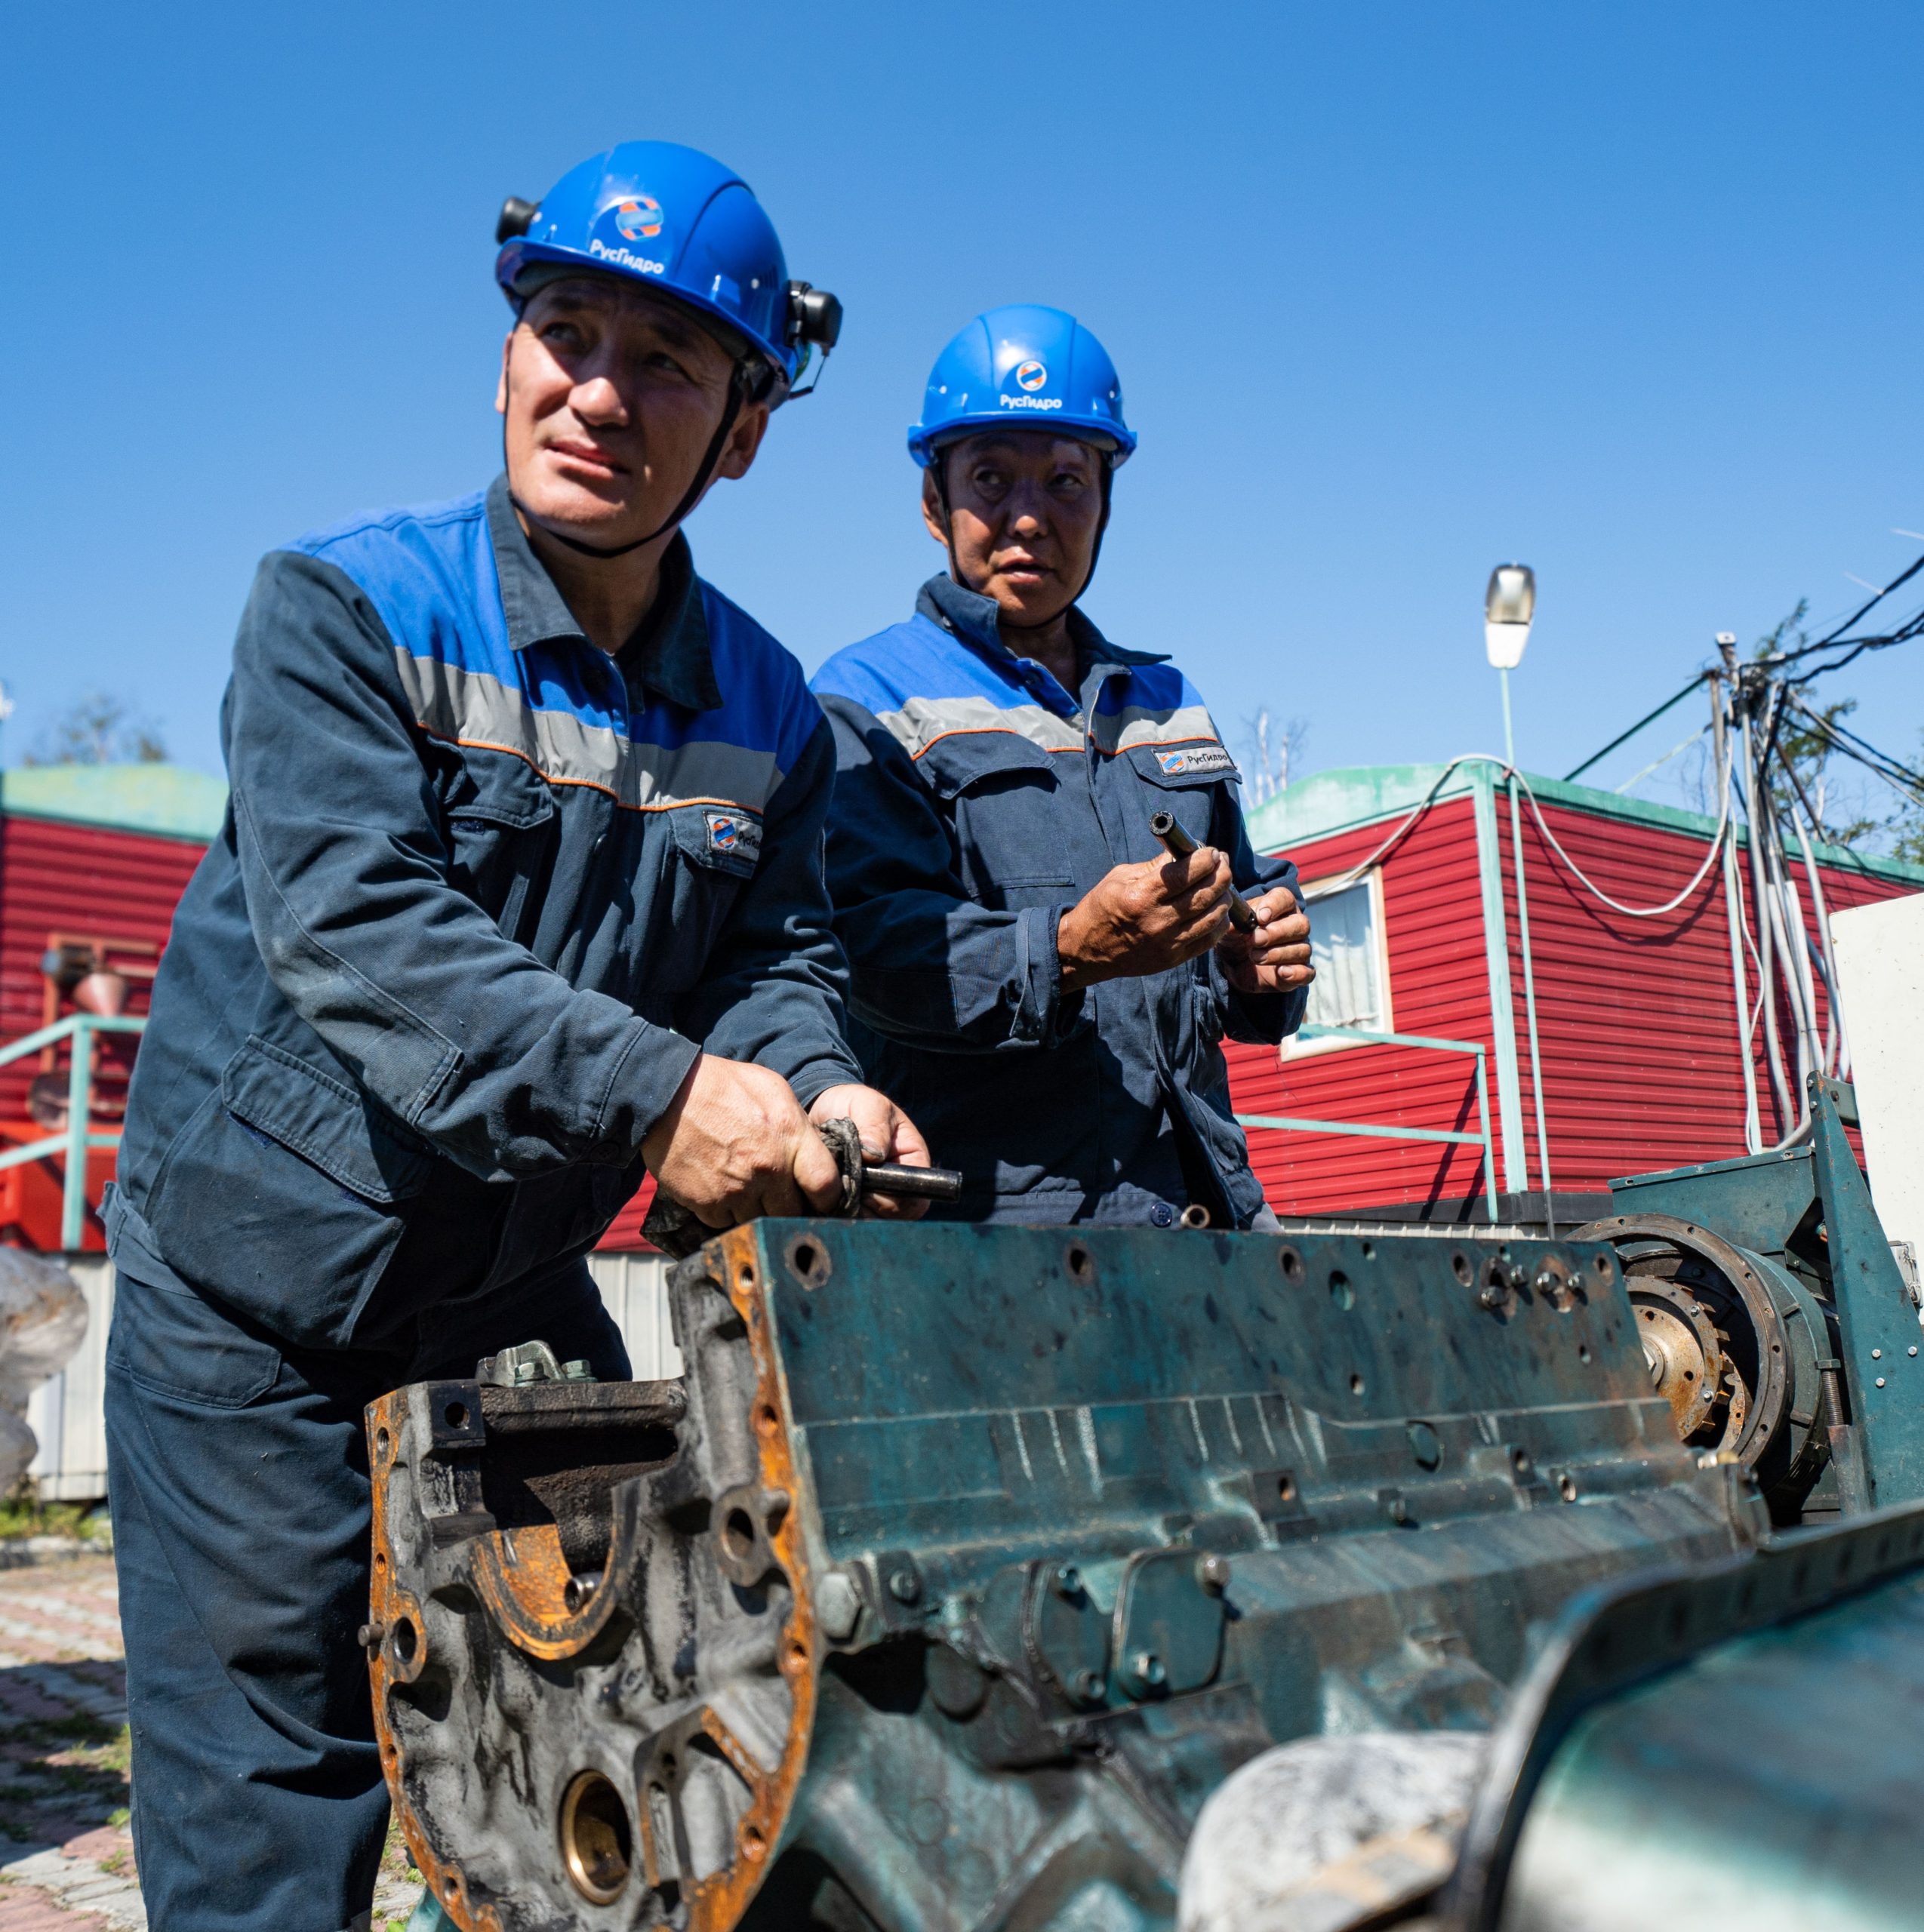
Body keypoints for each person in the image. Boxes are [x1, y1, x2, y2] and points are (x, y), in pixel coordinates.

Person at [103, 141, 927, 1932]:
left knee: (638, 1671)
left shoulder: (776, 710)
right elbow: (367, 936)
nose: (601, 392)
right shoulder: (343, 609)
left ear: (746, 427)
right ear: (505, 350)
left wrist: (815, 1074)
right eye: (564, 331)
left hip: (498, 1313)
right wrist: (663, 1094)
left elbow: (774, 957)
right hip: (256, 1309)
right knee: (281, 1764)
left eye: (670, 363)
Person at [810, 306, 1312, 1229]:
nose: (1030, 516)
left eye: (1067, 481)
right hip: (995, 1240)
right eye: (991, 478)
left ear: (1107, 502)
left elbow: (1248, 905)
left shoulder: (1168, 701)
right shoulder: (864, 700)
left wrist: (1267, 958)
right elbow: (870, 957)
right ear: (933, 502)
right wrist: (1070, 947)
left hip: (1208, 1219)